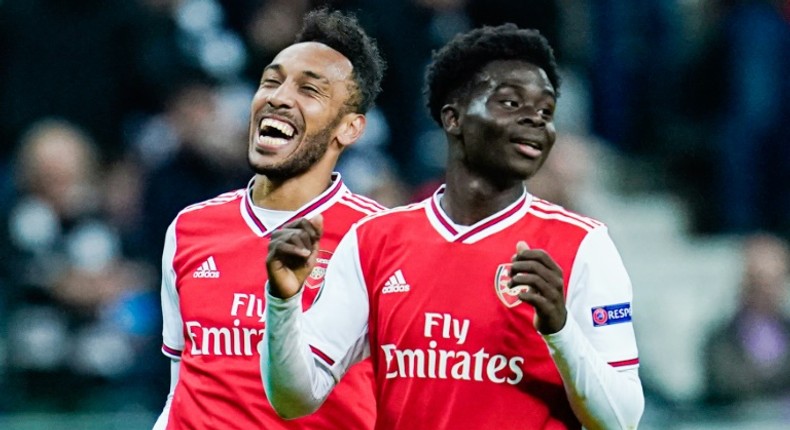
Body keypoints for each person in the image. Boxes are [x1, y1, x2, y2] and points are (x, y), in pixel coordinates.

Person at [262, 24, 644, 429]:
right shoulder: (376, 239)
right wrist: (282, 304)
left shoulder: (582, 245)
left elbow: (620, 420)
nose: (535, 120)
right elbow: (294, 399)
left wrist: (560, 330)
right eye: (511, 103)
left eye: (546, 112)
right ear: (454, 117)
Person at [153, 9, 386, 429]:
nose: (278, 97)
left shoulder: (380, 239)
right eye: (271, 81)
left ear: (350, 129)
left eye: (309, 90)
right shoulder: (189, 228)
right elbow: (181, 389)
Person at [704, 233, 790, 404]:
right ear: (744, 282)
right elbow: (727, 385)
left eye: (773, 282)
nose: (766, 291)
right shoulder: (720, 340)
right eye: (758, 281)